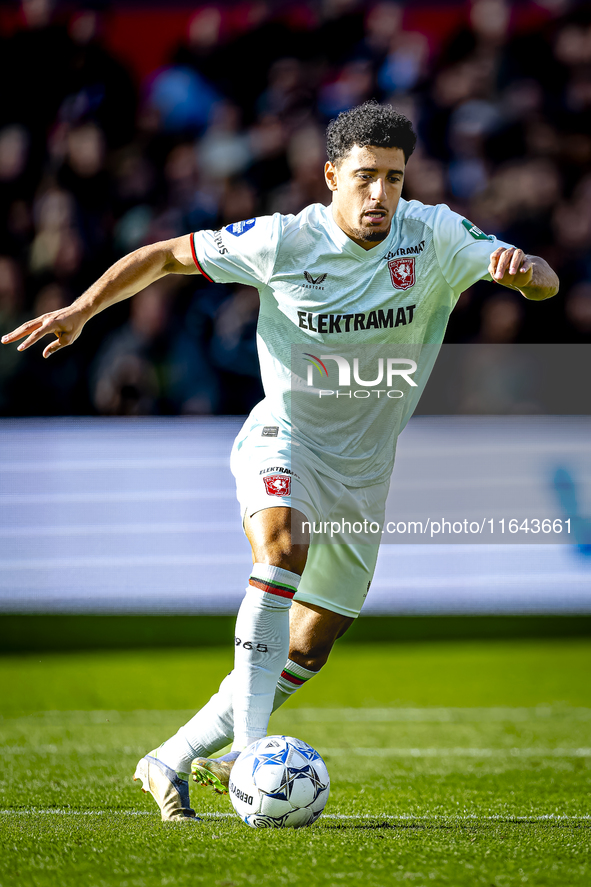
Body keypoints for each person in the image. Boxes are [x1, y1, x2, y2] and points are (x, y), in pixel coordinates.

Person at [2, 102, 559, 822]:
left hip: (365, 471)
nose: (379, 194)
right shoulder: (282, 241)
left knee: (311, 643)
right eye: (363, 177)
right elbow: (166, 254)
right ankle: (252, 753)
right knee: (282, 544)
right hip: (286, 437)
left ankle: (168, 758)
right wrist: (80, 310)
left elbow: (540, 276)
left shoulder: (436, 235)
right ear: (331, 177)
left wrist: (524, 275)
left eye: (392, 178)